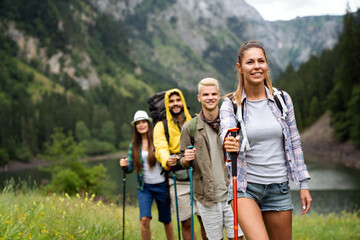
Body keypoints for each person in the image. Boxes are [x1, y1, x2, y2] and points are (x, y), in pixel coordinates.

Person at [220, 41, 312, 240]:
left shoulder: (282, 100)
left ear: (267, 64)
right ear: (240, 67)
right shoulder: (230, 104)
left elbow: (294, 142)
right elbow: (226, 134)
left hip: (279, 187)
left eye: (261, 61)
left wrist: (303, 183)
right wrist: (228, 142)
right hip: (245, 187)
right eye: (250, 62)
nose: (256, 66)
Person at [180, 78, 244, 240]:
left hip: (234, 194)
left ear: (219, 96)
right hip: (207, 198)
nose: (210, 97)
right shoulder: (190, 128)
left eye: (214, 94)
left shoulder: (232, 123)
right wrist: (186, 159)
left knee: (237, 237)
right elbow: (182, 159)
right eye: (206, 94)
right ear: (199, 98)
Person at [153, 88, 207, 240]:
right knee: (186, 223)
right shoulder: (161, 126)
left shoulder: (196, 120)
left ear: (183, 101)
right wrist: (166, 160)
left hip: (200, 178)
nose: (175, 104)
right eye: (171, 101)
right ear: (167, 104)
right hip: (178, 180)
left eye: (178, 100)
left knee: (206, 221)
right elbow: (160, 148)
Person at [119, 110, 174, 240]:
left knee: (166, 220)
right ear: (135, 126)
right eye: (138, 123)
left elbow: (166, 157)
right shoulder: (134, 145)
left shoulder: (157, 140)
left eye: (143, 122)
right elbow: (130, 168)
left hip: (162, 186)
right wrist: (125, 165)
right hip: (145, 188)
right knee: (144, 219)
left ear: (148, 123)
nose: (141, 125)